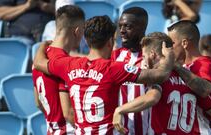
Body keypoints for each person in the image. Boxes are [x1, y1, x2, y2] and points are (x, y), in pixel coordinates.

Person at [33, 15, 174, 134]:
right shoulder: (114, 69)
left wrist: (43, 45)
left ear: (87, 41)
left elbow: (39, 63)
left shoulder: (68, 65)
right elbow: (161, 75)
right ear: (110, 42)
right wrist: (169, 57)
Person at [113, 32, 211, 135]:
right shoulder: (188, 76)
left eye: (144, 57)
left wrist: (120, 109)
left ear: (152, 54)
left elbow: (152, 97)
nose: (143, 61)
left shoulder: (158, 76)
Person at [32, 5, 85, 134]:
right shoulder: (65, 63)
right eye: (83, 30)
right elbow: (68, 113)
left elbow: (38, 103)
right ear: (77, 31)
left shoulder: (39, 58)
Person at [168, 20, 211, 134]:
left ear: (184, 43)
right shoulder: (177, 66)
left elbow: (205, 90)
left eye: (172, 43)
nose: (169, 48)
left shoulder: (203, 63)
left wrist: (177, 67)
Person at [110, 7, 149, 135]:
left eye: (128, 27)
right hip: (119, 131)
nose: (122, 31)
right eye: (120, 26)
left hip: (146, 131)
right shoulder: (115, 56)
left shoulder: (153, 58)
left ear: (142, 28)